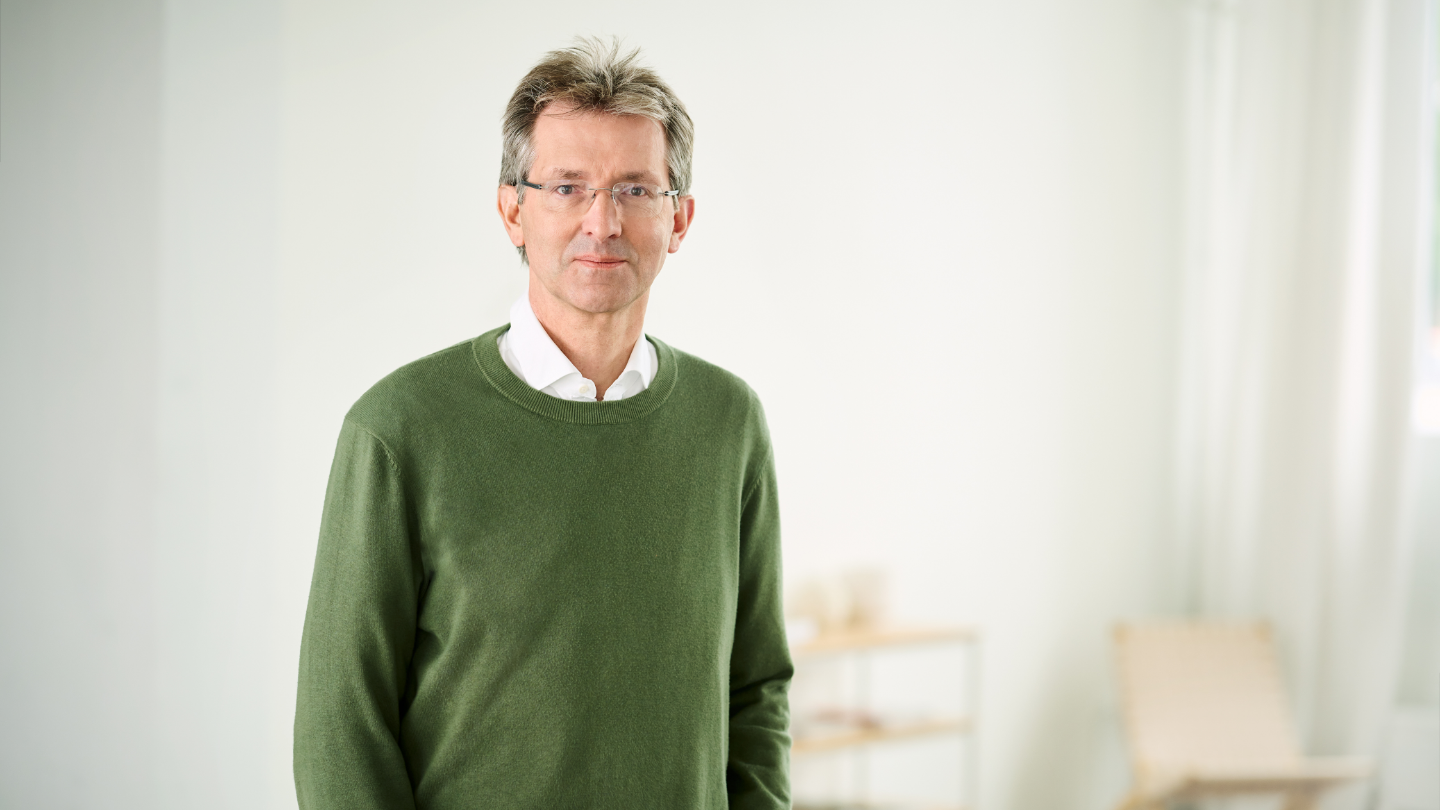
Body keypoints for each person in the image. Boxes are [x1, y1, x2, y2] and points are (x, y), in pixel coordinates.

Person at [292, 37, 792, 810]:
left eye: (635, 190)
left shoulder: (728, 422)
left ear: (680, 219)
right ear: (512, 209)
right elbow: (339, 732)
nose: (602, 221)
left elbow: (756, 688)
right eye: (567, 187)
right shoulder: (398, 431)